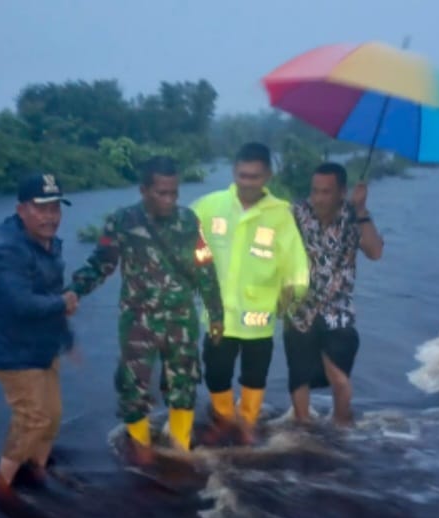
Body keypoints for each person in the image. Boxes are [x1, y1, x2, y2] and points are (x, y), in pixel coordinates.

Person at [68, 156, 223, 464]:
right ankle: (140, 452)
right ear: (143, 190)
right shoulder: (122, 221)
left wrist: (216, 313)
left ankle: (180, 449)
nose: (169, 200)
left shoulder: (189, 221)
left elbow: (205, 267)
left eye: (174, 193)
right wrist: (75, 290)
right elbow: (102, 263)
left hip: (181, 318)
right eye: (161, 193)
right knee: (132, 386)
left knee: (184, 383)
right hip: (139, 320)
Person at [190, 142, 310, 443]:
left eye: (254, 176)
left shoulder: (281, 214)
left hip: (259, 314)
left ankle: (247, 422)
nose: (247, 183)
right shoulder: (209, 205)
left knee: (254, 376)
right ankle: (224, 417)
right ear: (234, 172)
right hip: (218, 313)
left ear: (267, 175)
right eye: (242, 175)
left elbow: (296, 263)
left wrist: (292, 297)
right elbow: (178, 237)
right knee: (216, 373)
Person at [0, 172, 80, 504]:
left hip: (42, 346)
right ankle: (1, 485)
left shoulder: (49, 245)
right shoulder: (7, 252)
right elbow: (19, 304)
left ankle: (38, 468)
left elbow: (51, 294)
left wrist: (66, 340)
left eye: (55, 208)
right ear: (21, 209)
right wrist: (63, 302)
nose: (51, 217)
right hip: (13, 353)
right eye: (42, 209)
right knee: (32, 417)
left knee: (52, 415)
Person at [283, 162, 383, 426]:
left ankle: (341, 431)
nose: (318, 198)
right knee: (299, 377)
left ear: (341, 192)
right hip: (300, 308)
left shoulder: (354, 217)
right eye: (315, 190)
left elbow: (375, 252)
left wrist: (361, 210)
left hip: (338, 312)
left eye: (326, 192)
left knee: (339, 380)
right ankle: (303, 430)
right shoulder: (297, 212)